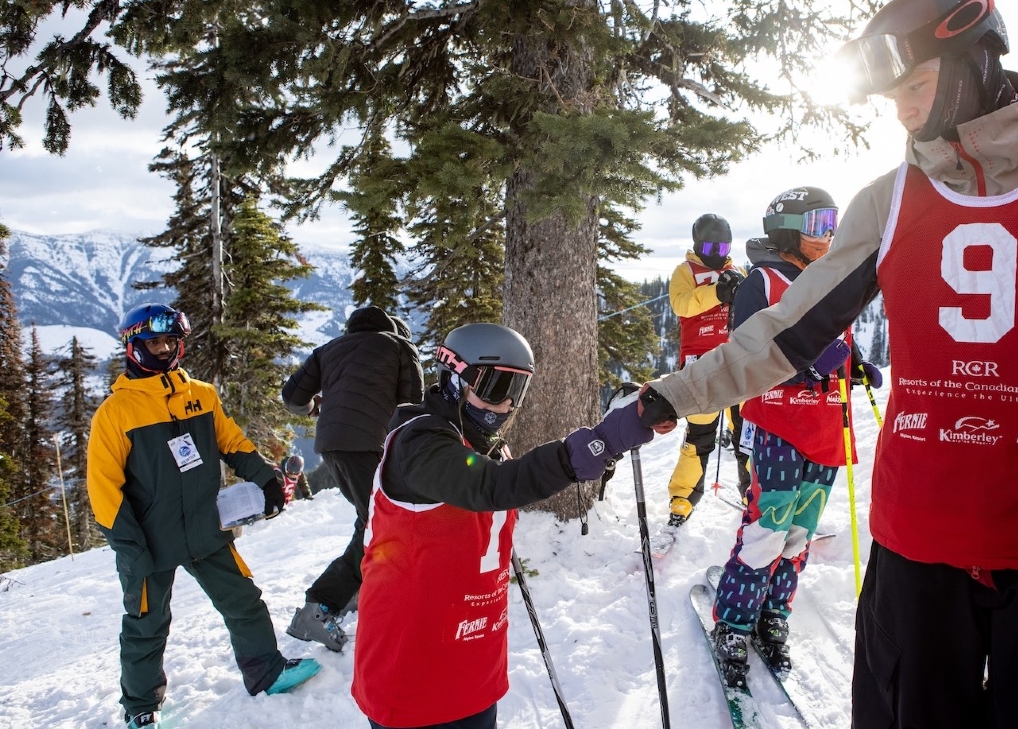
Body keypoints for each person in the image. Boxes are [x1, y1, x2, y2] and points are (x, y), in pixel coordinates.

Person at [639, 0, 1018, 727]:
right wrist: (674, 393)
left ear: (978, 60)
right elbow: (782, 333)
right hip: (919, 540)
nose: (902, 109)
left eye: (918, 84)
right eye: (892, 93)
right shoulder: (889, 200)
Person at [350, 322, 660, 729]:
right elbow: (490, 486)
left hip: (473, 665)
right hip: (411, 669)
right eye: (497, 388)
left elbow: (502, 490)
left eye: (517, 392)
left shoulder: (483, 446)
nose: (505, 406)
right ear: (454, 377)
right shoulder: (418, 445)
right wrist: (592, 447)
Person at [87, 304, 320, 729]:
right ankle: (140, 706)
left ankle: (267, 670)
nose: (163, 349)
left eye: (170, 342)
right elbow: (104, 489)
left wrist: (265, 479)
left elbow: (232, 442)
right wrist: (128, 545)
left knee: (243, 599)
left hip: (204, 527)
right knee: (146, 625)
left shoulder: (201, 394)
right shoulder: (116, 413)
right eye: (153, 342)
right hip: (148, 540)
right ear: (134, 346)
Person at [708, 187, 883, 686]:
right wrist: (806, 365)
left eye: (833, 221)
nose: (829, 233)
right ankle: (734, 624)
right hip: (781, 424)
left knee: (799, 535)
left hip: (827, 429)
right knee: (767, 532)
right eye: (818, 222)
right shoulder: (763, 281)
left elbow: (836, 344)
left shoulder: (827, 279)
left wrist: (854, 367)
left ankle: (772, 615)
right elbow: (746, 352)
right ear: (787, 227)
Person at [281, 305, 423, 651]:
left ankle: (354, 592)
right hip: (369, 445)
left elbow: (291, 397)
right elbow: (414, 406)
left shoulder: (328, 349)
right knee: (381, 522)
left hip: (330, 446)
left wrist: (317, 408)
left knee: (371, 519)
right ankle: (319, 605)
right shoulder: (398, 345)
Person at [666, 213, 749, 527]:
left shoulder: (736, 271)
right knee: (700, 435)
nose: (717, 251)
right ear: (697, 243)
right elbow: (682, 305)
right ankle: (683, 499)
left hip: (736, 359)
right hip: (700, 363)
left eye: (723, 245)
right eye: (711, 245)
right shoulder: (685, 271)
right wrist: (717, 292)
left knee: (746, 433)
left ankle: (752, 495)